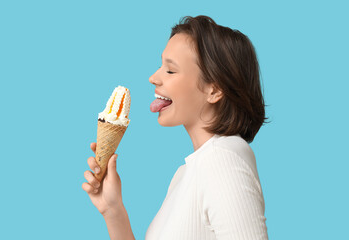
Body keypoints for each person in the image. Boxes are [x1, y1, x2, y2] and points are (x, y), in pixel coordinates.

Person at [82, 15, 269, 240]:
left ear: (214, 90)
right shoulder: (187, 173)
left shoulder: (223, 160)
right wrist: (113, 210)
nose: (153, 78)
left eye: (170, 70)